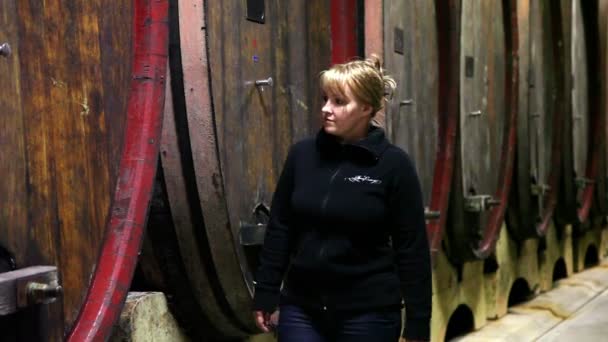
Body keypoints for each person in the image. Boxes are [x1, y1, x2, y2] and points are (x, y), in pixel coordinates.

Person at [252, 56, 432, 342]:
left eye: (339, 102)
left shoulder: (393, 166)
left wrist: (419, 321)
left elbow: (412, 249)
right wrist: (266, 291)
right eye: (325, 99)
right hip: (302, 307)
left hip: (368, 313)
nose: (326, 109)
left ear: (366, 108)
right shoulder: (302, 155)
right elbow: (280, 228)